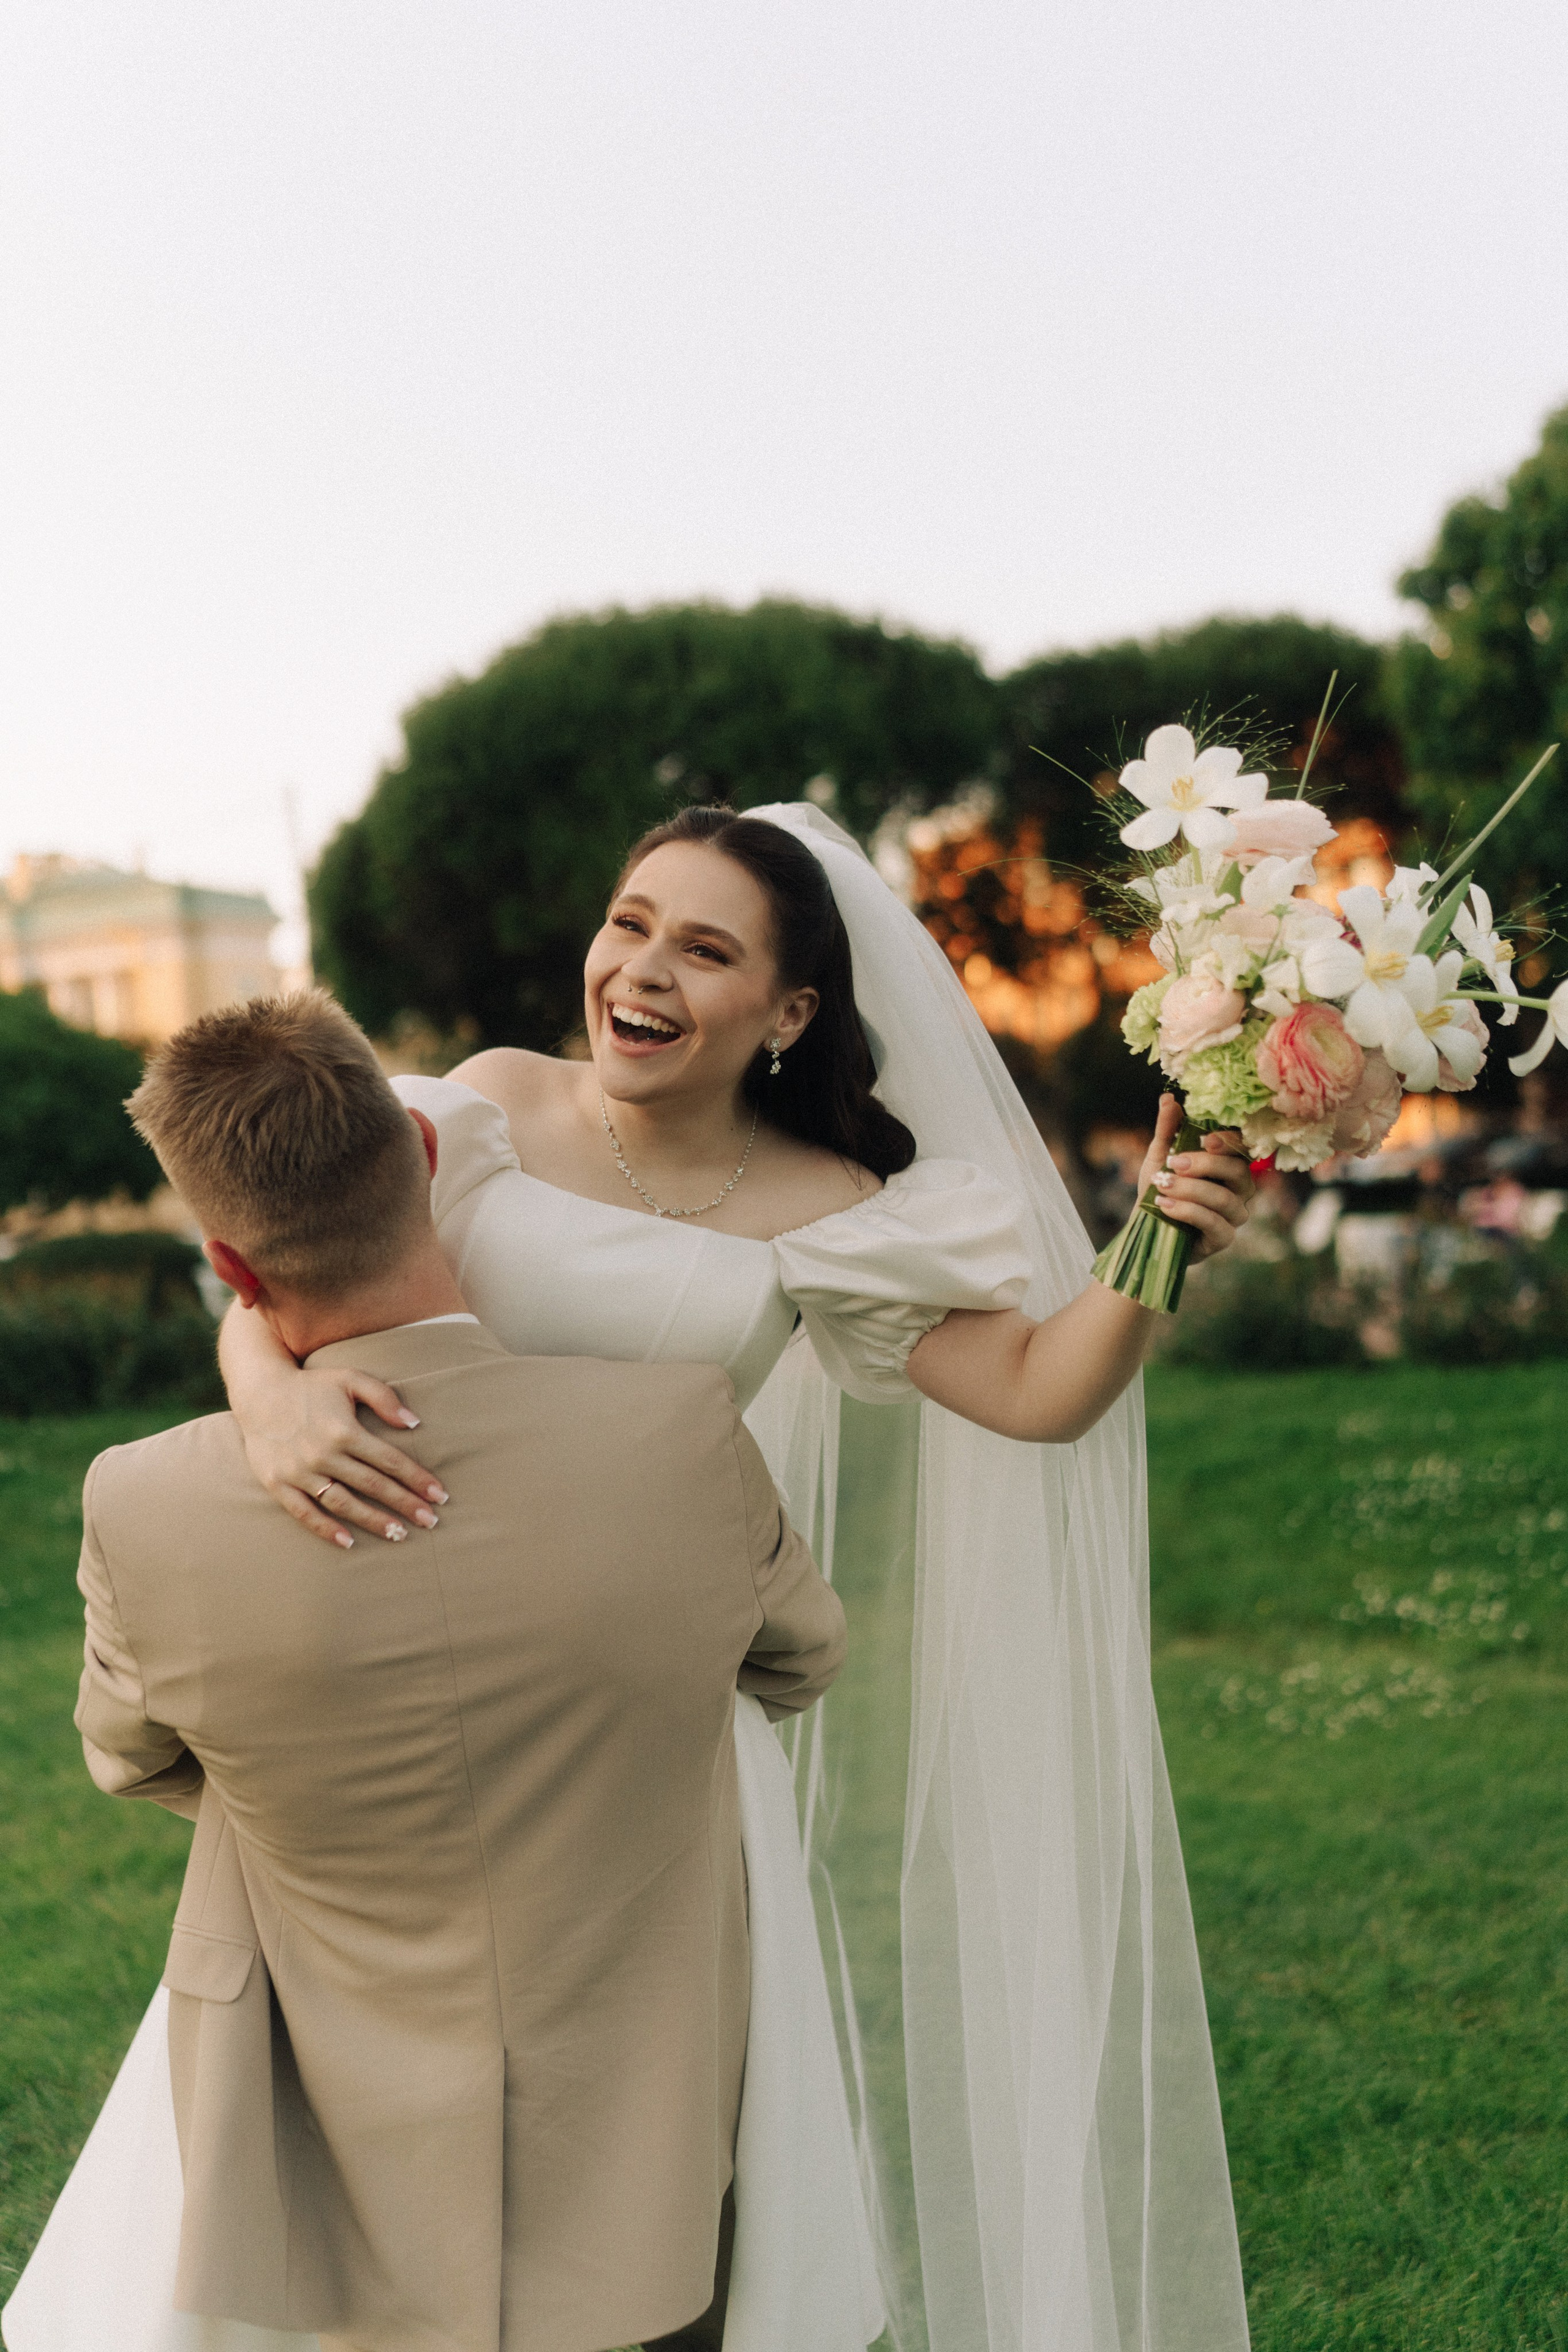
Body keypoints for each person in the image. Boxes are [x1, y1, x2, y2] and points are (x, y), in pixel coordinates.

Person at [8, 804, 1257, 2352]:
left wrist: (1154, 1242)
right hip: (386, 1674)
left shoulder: (836, 1212)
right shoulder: (479, 1109)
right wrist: (266, 1397)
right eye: (630, 921)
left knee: (653, 2153)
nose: (642, 969)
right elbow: (283, 1257)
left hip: (639, 1731)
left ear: (788, 1013)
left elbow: (1027, 1384)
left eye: (705, 948)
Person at [10, 991, 846, 2352]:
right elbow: (799, 1661)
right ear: (424, 1145)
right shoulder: (681, 1429)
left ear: (230, 1263)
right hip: (647, 2156)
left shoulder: (142, 1504)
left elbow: (132, 1756)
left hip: (316, 2184)